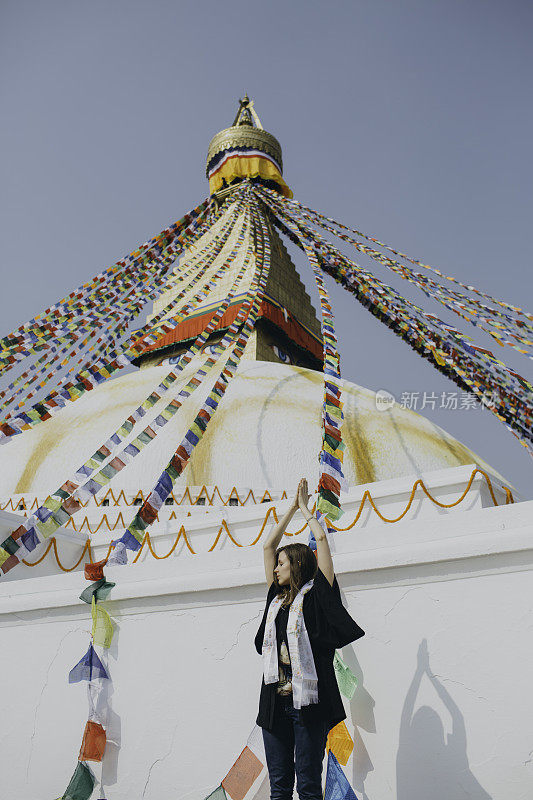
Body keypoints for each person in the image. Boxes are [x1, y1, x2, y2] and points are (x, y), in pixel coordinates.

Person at [255, 478, 365, 800]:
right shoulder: (276, 598)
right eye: (276, 565)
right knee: (279, 788)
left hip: (308, 706)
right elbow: (266, 547)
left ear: (298, 565)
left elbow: (320, 539)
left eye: (282, 564)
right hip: (276, 702)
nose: (276, 569)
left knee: (307, 786)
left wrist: (306, 510)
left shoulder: (317, 597)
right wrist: (289, 508)